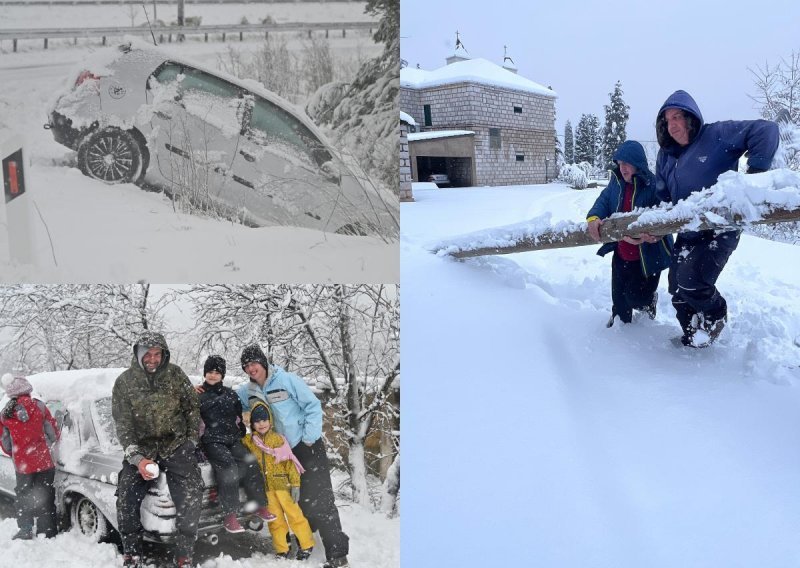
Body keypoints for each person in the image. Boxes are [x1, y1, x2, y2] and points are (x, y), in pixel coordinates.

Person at [655, 90, 779, 346]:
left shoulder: (716, 135)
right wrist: (655, 225)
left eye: (677, 117)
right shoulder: (664, 156)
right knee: (676, 290)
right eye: (667, 120)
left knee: (692, 281)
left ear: (690, 118)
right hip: (687, 230)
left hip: (721, 228)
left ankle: (715, 317)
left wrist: (754, 177)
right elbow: (663, 199)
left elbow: (766, 130)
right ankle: (692, 334)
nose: (673, 125)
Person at [237, 344, 350, 568]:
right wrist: (203, 389)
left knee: (321, 500)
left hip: (305, 447)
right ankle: (308, 546)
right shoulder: (248, 391)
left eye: (254, 363)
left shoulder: (287, 380)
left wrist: (309, 439)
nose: (251, 369)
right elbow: (228, 399)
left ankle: (337, 555)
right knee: (298, 502)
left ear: (263, 362)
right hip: (280, 455)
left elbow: (313, 406)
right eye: (246, 366)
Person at [111, 332, 203, 568]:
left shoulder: (175, 375)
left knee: (191, 493)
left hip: (176, 446)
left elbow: (192, 408)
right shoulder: (124, 383)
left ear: (163, 354)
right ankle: (132, 552)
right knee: (126, 495)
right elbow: (123, 425)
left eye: (157, 354)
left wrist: (190, 442)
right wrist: (137, 458)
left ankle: (184, 553)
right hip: (143, 450)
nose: (152, 359)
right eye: (147, 354)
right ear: (138, 354)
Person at [587, 140, 674, 327]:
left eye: (626, 163)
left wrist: (651, 235)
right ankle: (620, 322)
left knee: (636, 297)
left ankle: (649, 302)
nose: (622, 168)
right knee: (619, 298)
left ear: (638, 163)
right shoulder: (616, 183)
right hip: (621, 252)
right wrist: (594, 217)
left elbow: (664, 215)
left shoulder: (654, 185)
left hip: (648, 256)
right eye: (619, 163)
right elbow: (603, 201)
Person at [196, 354, 275, 533]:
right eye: (209, 372)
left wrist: (238, 433)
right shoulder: (199, 395)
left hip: (232, 438)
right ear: (204, 374)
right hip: (212, 440)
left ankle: (258, 505)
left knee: (251, 462)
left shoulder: (231, 394)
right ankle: (230, 515)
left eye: (217, 372)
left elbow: (238, 417)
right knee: (228, 468)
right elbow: (192, 419)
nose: (213, 375)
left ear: (222, 375)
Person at [242, 400, 315, 561]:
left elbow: (290, 463)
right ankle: (283, 548)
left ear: (270, 421)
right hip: (265, 489)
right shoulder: (249, 441)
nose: (261, 424)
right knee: (275, 520)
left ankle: (307, 544)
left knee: (295, 515)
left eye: (264, 420)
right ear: (252, 424)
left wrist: (295, 484)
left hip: (283, 485)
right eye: (257, 421)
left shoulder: (278, 439)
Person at [0, 373, 59, 540]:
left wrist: (16, 453)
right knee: (45, 495)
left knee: (23, 496)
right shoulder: (40, 406)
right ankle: (47, 530)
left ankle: (25, 529)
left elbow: (5, 443)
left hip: (22, 464)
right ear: (27, 390)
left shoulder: (5, 414)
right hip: (44, 462)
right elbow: (53, 433)